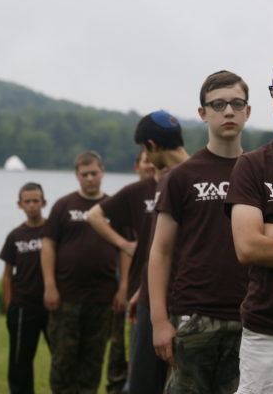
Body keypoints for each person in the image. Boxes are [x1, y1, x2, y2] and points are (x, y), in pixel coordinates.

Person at [149, 71, 250, 393]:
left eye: (237, 103)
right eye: (218, 104)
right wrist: (159, 321)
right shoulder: (182, 176)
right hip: (194, 316)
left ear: (248, 111)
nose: (228, 111)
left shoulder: (258, 172)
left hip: (251, 317)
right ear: (203, 113)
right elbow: (160, 251)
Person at [41, 151, 119, 394]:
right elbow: (48, 246)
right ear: (77, 175)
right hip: (67, 297)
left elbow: (125, 248)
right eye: (84, 174)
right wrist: (50, 286)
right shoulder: (63, 206)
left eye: (94, 173)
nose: (90, 178)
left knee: (92, 362)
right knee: (63, 361)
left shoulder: (113, 207)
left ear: (102, 172)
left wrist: (124, 287)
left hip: (102, 298)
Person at [226, 61, 273, 393]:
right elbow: (248, 247)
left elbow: (260, 239)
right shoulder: (253, 165)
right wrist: (260, 235)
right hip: (269, 334)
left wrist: (271, 229)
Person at [128, 110, 189, 394]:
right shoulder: (194, 175)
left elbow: (164, 250)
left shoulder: (172, 181)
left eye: (145, 150)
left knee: (146, 383)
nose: (148, 159)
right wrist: (143, 288)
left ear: (152, 145)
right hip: (155, 295)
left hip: (171, 302)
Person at [87, 150, 156, 394]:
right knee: (135, 355)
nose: (151, 165)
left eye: (153, 159)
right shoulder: (133, 194)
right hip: (139, 288)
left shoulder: (174, 185)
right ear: (137, 166)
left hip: (172, 287)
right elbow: (96, 217)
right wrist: (125, 247)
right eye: (146, 161)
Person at [0, 182, 49, 394]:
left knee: (62, 357)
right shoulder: (15, 235)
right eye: (27, 201)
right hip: (23, 306)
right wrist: (10, 304)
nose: (31, 205)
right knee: (20, 363)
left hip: (52, 304)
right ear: (19, 204)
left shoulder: (53, 230)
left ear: (44, 202)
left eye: (35, 201)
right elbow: (7, 274)